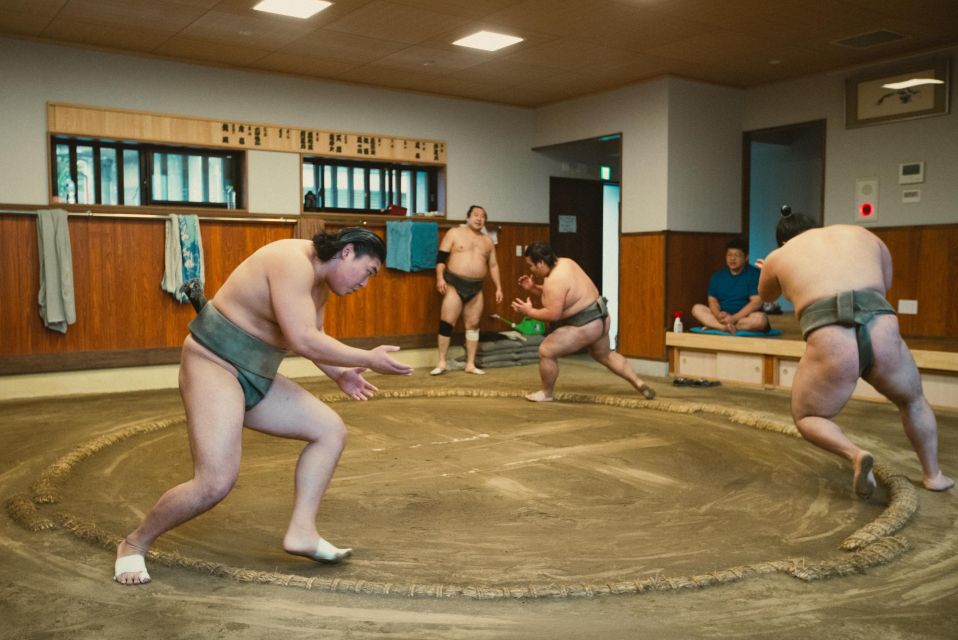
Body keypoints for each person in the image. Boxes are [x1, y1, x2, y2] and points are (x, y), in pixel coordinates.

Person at [113, 228, 413, 586]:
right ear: (347, 252)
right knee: (214, 482)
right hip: (214, 363)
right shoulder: (292, 261)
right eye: (369, 271)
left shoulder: (319, 285)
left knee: (329, 430)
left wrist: (341, 374)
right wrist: (367, 357)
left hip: (256, 372)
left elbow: (310, 339)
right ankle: (133, 544)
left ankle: (302, 532)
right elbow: (302, 337)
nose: (365, 283)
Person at [756, 211, 953, 499]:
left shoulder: (779, 255)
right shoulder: (863, 235)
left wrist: (771, 268)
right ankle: (933, 475)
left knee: (808, 416)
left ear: (784, 241)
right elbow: (884, 285)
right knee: (912, 401)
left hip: (830, 337)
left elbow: (767, 297)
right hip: (881, 326)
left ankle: (855, 454)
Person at [511, 242, 656, 403]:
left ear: (540, 263)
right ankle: (639, 383)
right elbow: (563, 296)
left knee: (546, 351)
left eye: (531, 265)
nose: (531, 270)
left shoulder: (554, 280)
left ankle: (546, 393)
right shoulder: (566, 263)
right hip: (601, 317)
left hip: (585, 324)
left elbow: (553, 314)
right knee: (606, 355)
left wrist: (528, 311)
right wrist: (533, 288)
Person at [432, 205, 503, 375]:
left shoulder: (487, 241)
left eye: (483, 216)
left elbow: (493, 265)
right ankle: (441, 362)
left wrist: (499, 287)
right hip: (454, 284)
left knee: (473, 325)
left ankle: (470, 364)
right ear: (468, 217)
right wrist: (440, 278)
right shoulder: (454, 233)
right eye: (476, 215)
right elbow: (441, 258)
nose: (479, 219)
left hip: (476, 287)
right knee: (446, 323)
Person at [691, 238, 769, 334]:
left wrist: (734, 318)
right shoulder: (718, 276)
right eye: (729, 255)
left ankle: (719, 326)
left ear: (746, 257)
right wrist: (718, 315)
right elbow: (712, 300)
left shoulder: (755, 274)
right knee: (697, 309)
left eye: (737, 255)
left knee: (760, 319)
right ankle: (724, 327)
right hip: (723, 316)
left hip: (744, 317)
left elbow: (756, 302)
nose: (732, 258)